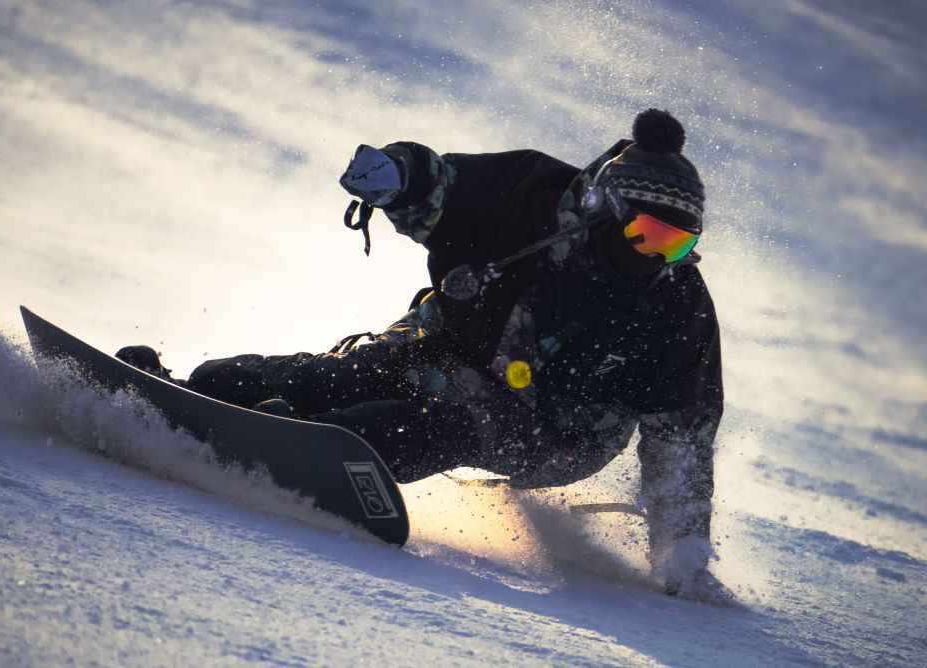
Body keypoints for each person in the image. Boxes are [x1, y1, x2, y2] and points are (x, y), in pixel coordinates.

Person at [118, 109, 734, 606]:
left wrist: (682, 554)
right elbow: (442, 185)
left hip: (555, 429)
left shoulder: (678, 310)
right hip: (447, 345)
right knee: (331, 376)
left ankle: (322, 445)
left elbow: (681, 441)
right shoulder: (532, 196)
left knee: (433, 425)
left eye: (678, 245)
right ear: (607, 209)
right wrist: (397, 174)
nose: (657, 259)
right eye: (648, 235)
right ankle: (193, 390)